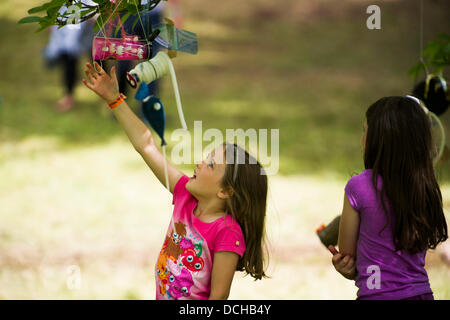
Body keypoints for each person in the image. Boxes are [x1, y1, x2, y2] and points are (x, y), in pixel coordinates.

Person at [82, 61, 268, 299]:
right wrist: (114, 100)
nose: (200, 163)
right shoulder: (185, 196)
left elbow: (218, 299)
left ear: (226, 191)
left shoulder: (226, 232)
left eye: (210, 164)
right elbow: (147, 145)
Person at [328, 96, 448, 300]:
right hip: (421, 295)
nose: (362, 138)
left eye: (365, 130)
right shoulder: (424, 184)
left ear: (377, 138)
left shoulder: (358, 187)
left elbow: (347, 255)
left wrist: (346, 267)